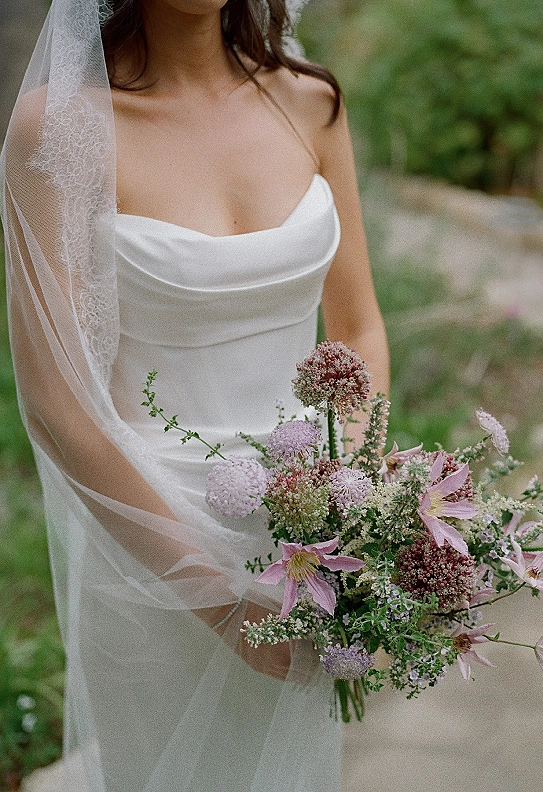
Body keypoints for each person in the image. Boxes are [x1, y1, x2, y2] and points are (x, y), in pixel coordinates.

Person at [1, 0, 389, 789]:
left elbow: (358, 329)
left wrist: (362, 501)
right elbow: (56, 403)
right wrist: (217, 599)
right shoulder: (59, 130)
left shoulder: (311, 105)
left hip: (308, 541)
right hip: (153, 543)